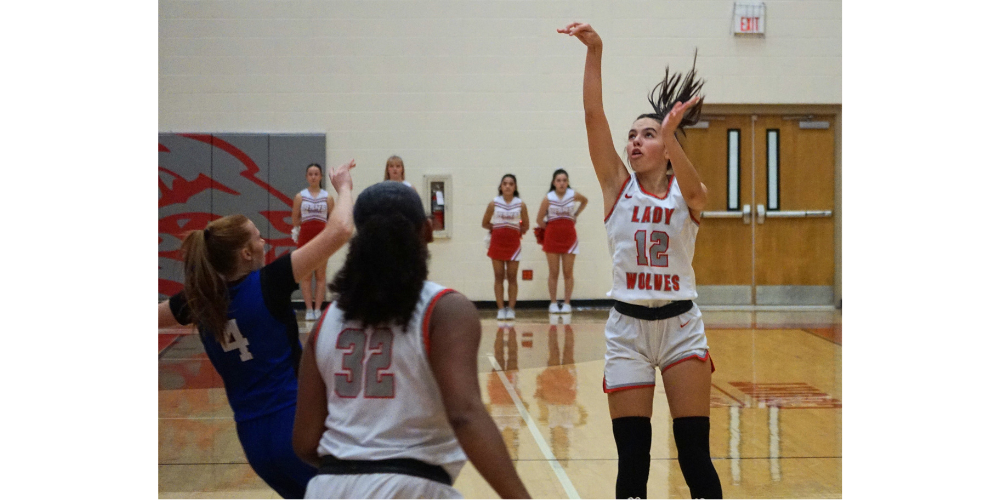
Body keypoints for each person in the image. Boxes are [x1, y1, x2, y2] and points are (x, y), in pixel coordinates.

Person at [559, 21, 723, 499]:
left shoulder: (685, 193)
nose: (634, 141)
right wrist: (595, 51)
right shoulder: (617, 186)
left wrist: (671, 132)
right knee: (632, 462)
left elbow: (701, 193)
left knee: (694, 456)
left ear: (667, 151)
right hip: (627, 331)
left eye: (646, 135)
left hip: (680, 328)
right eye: (631, 135)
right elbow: (594, 118)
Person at [292, 181, 529, 499]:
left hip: (329, 487)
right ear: (427, 231)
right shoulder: (445, 309)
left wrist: (358, 469)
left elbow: (305, 442)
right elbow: (464, 414)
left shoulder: (325, 321)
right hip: (414, 486)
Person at [157, 159, 357, 499]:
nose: (265, 241)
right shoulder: (268, 283)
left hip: (253, 441)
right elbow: (340, 230)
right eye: (258, 237)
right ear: (247, 253)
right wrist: (345, 187)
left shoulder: (198, 300)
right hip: (296, 425)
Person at [535, 169, 589, 314]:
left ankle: (566, 303)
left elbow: (585, 201)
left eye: (564, 180)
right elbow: (539, 219)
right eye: (559, 180)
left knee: (568, 272)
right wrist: (551, 228)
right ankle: (553, 303)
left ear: (567, 182)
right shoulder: (548, 198)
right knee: (553, 272)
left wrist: (576, 214)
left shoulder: (573, 195)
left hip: (570, 238)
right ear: (554, 183)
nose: (562, 183)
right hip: (552, 238)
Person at [291, 163, 337, 321]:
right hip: (305, 237)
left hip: (322, 238)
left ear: (321, 177)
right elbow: (295, 219)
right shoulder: (300, 196)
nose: (313, 177)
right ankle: (309, 309)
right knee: (306, 276)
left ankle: (318, 309)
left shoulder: (327, 197)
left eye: (316, 174)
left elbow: (333, 219)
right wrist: (304, 227)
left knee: (320, 275)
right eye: (310, 174)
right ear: (306, 177)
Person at [482, 174, 529, 320]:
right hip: (497, 244)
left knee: (512, 277)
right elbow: (484, 223)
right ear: (501, 187)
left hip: (513, 245)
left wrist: (512, 229)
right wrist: (498, 228)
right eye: (505, 183)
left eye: (511, 184)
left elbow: (526, 225)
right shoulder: (493, 204)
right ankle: (501, 309)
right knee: (498, 276)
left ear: (515, 187)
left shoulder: (520, 204)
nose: (508, 186)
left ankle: (511, 309)